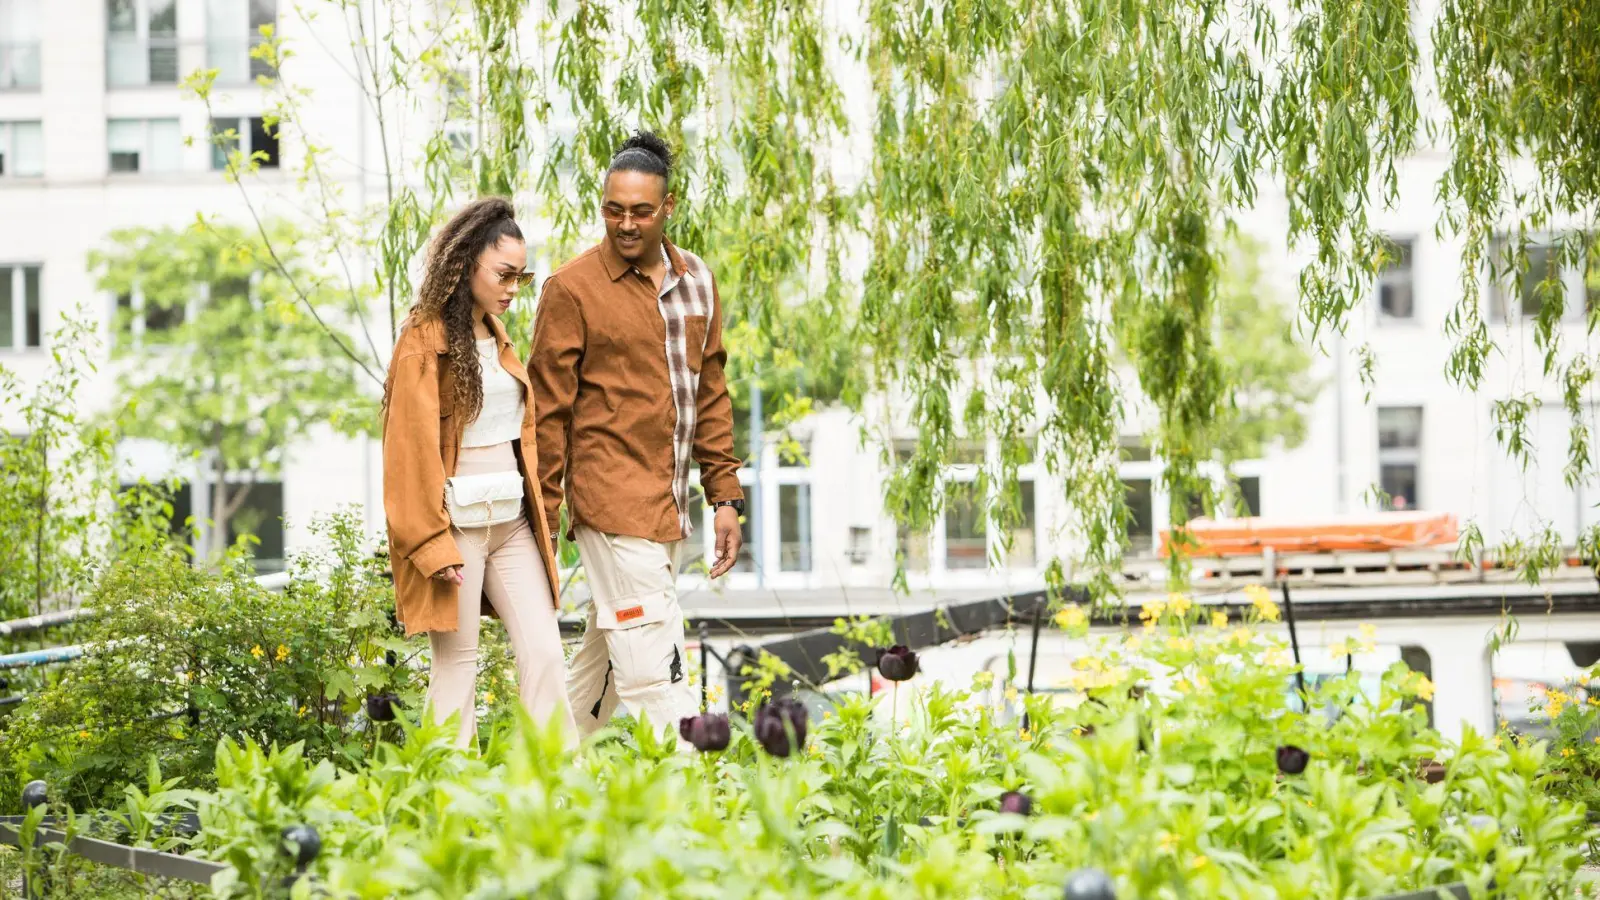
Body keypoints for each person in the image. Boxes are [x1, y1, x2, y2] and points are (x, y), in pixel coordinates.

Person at [528, 131, 744, 742]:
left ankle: (538, 777)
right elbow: (547, 416)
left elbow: (711, 393)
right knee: (653, 665)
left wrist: (724, 496)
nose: (625, 224)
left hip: (668, 505)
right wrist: (540, 525)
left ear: (668, 207)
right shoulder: (571, 290)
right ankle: (686, 806)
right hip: (611, 501)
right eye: (614, 209)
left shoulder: (697, 279)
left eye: (641, 211)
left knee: (604, 663)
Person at [382, 196, 576, 749]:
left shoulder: (500, 335)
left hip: (511, 521)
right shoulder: (423, 341)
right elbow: (407, 454)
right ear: (467, 265)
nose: (515, 287)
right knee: (456, 667)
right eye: (505, 274)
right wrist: (430, 545)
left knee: (543, 650)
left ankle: (557, 791)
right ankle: (446, 798)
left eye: (522, 275)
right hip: (454, 528)